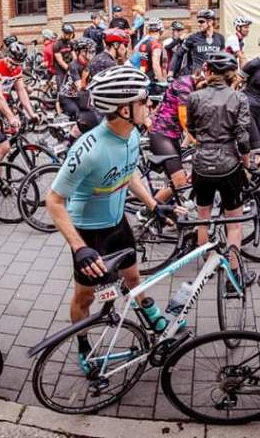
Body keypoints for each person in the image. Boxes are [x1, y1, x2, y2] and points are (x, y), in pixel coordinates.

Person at [47, 65, 167, 330]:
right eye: (143, 101)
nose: (149, 105)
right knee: (85, 296)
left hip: (117, 223)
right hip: (90, 233)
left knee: (133, 276)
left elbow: (128, 172)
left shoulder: (133, 133)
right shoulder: (89, 150)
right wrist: (79, 248)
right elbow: (53, 201)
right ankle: (81, 341)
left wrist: (152, 204)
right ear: (125, 110)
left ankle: (151, 316)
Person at [186, 52, 252, 280]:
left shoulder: (194, 97)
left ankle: (208, 264)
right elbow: (243, 138)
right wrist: (246, 163)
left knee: (203, 216)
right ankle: (234, 270)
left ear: (209, 72)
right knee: (233, 223)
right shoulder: (238, 98)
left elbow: (191, 129)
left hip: (202, 163)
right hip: (229, 164)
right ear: (230, 74)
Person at [0, 41, 38, 163]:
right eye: (11, 63)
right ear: (6, 56)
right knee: (4, 147)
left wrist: (31, 113)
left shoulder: (17, 69)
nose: (13, 67)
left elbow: (21, 91)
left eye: (17, 64)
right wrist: (11, 117)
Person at [148, 69, 196, 204]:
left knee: (171, 181)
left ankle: (166, 209)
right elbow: (184, 117)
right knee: (179, 181)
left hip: (172, 135)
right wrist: (196, 140)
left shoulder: (195, 85)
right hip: (162, 134)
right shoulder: (185, 84)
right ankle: (148, 210)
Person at [170, 9, 225, 78]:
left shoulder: (220, 38)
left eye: (201, 22)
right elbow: (178, 54)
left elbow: (223, 58)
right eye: (198, 22)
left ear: (210, 22)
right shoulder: (193, 38)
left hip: (214, 78)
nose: (199, 24)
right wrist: (171, 73)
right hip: (198, 78)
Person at [58, 38, 96, 129]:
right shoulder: (73, 66)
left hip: (79, 97)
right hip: (67, 98)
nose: (92, 53)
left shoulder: (88, 63)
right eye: (89, 50)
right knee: (80, 116)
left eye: (92, 50)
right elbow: (80, 87)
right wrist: (84, 76)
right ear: (82, 52)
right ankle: (70, 139)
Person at [130, 18, 166, 87]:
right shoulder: (155, 45)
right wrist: (162, 83)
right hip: (145, 78)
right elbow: (155, 66)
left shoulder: (142, 41)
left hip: (136, 75)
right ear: (161, 30)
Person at [52, 25, 76, 90]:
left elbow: (74, 55)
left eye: (72, 34)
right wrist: (69, 69)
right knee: (61, 90)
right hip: (60, 70)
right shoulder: (57, 44)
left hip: (69, 67)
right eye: (70, 34)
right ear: (64, 33)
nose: (71, 36)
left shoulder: (70, 43)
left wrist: (75, 66)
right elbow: (60, 61)